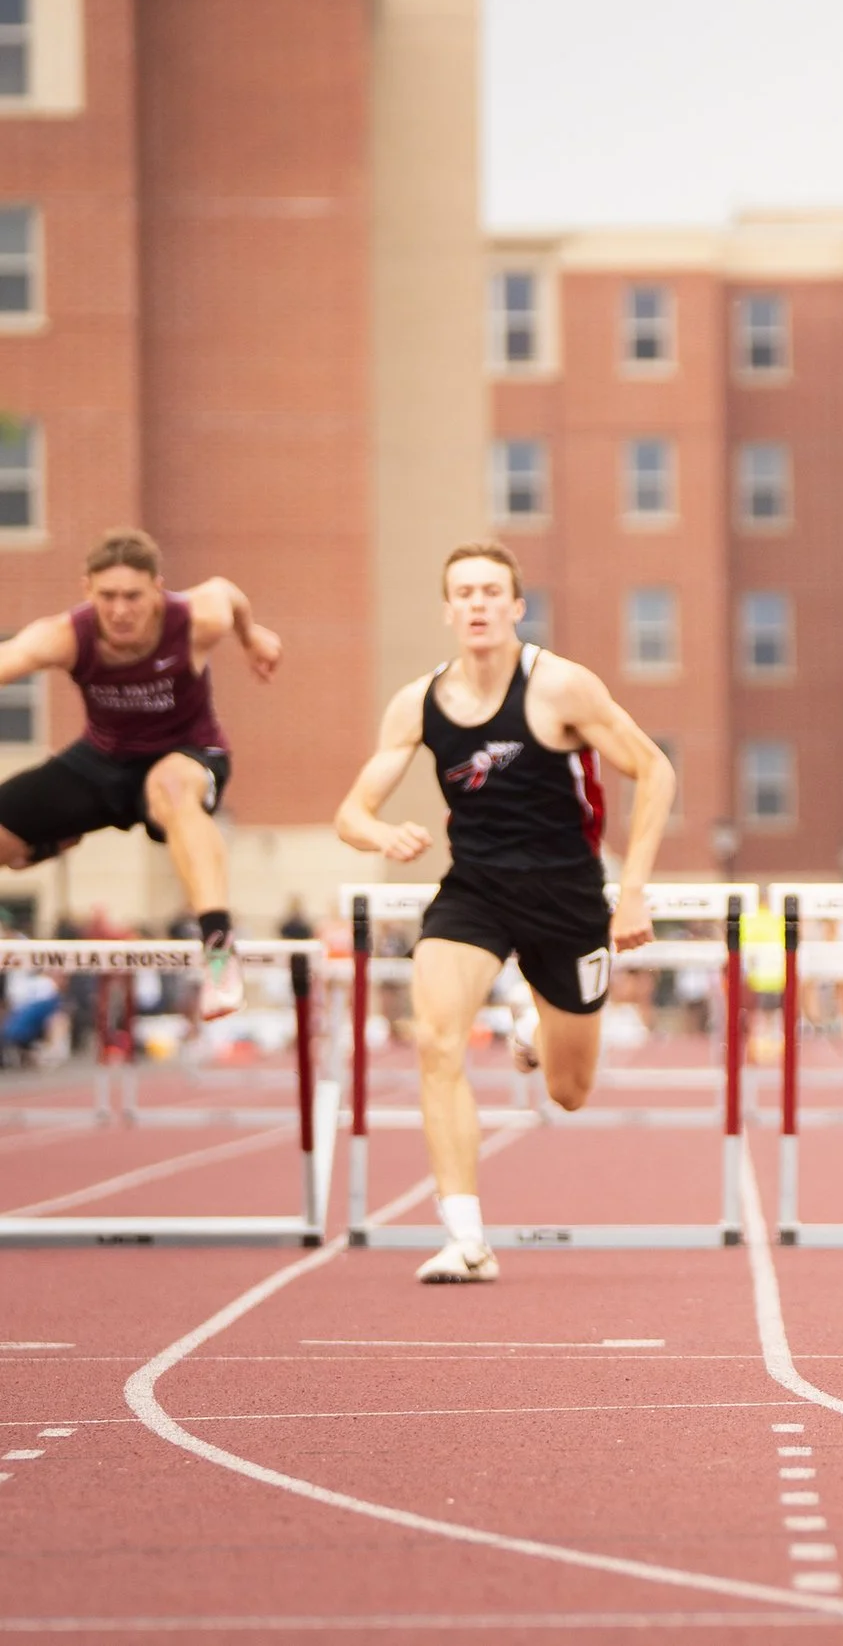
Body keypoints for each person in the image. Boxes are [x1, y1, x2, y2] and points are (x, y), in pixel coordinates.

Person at [334, 542, 675, 1283]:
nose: (479, 604)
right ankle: (466, 1237)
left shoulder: (561, 687)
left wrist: (636, 889)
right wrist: (381, 832)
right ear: (448, 610)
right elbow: (351, 812)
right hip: (475, 890)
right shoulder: (418, 703)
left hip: (567, 896)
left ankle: (535, 1026)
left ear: (517, 606)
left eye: (493, 591)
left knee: (569, 1093)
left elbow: (655, 768)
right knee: (433, 1038)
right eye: (465, 592)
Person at [0, 530, 281, 1018]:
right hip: (103, 761)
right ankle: (50, 842)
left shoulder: (196, 617)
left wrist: (251, 635)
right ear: (87, 591)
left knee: (168, 787)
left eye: (133, 596)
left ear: (158, 590)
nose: (121, 611)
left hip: (188, 754)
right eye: (107, 597)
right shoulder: (65, 635)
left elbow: (228, 593)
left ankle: (218, 954)